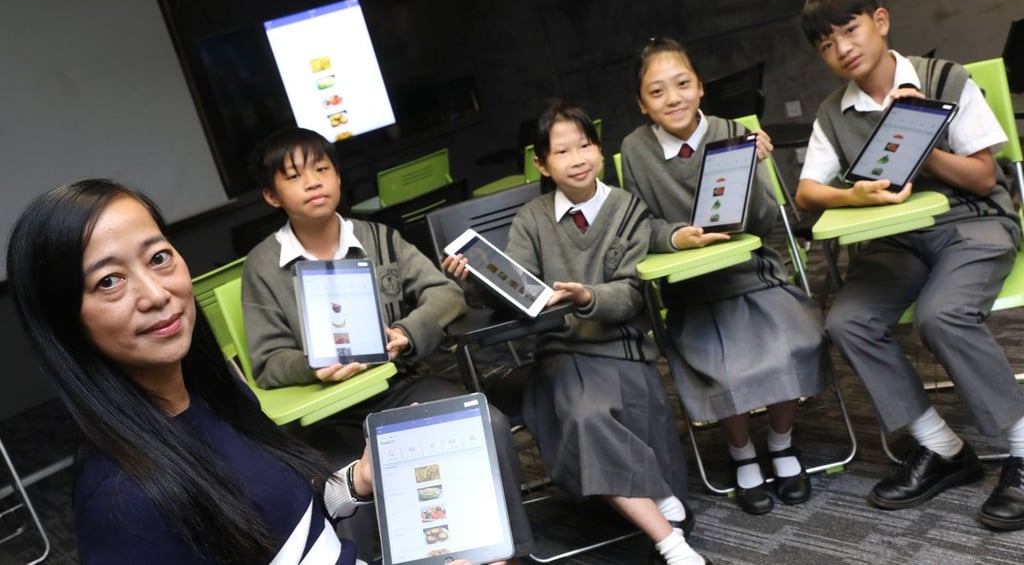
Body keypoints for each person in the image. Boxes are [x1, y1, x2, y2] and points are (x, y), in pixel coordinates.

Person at [7, 179, 431, 564]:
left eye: (158, 258)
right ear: (64, 322)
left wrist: (357, 481)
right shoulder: (122, 504)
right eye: (109, 281)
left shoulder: (219, 392)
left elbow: (290, 533)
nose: (156, 293)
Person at [241, 127, 532, 558]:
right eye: (295, 176)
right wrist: (311, 367)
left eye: (322, 169)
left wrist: (406, 333)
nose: (314, 182)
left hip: (402, 388)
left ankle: (503, 554)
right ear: (271, 195)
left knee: (483, 423)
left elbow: (445, 292)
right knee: (334, 479)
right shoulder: (263, 265)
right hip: (327, 413)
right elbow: (268, 361)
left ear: (338, 176)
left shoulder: (379, 239)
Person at [797, 0, 1024, 530]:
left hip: (972, 223)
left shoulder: (944, 78)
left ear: (881, 20)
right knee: (847, 322)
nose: (843, 47)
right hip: (897, 239)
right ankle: (943, 448)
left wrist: (925, 132)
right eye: (827, 43)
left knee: (940, 315)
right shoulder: (834, 113)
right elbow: (806, 193)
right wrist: (849, 193)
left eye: (850, 29)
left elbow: (982, 175)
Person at [445, 101, 707, 565]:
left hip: (620, 345)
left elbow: (629, 293)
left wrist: (585, 296)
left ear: (600, 151)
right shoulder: (532, 218)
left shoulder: (626, 208)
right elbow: (514, 289)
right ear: (542, 164)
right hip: (560, 351)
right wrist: (474, 280)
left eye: (585, 145)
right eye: (562, 151)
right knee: (585, 415)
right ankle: (669, 539)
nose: (578, 157)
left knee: (595, 413)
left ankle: (648, 493)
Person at [619, 37, 829, 516]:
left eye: (683, 84)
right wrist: (676, 237)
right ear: (641, 103)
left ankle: (780, 442)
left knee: (797, 341)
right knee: (723, 361)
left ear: (700, 87)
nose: (673, 98)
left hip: (751, 273)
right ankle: (742, 455)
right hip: (692, 287)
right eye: (657, 92)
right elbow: (640, 225)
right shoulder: (635, 150)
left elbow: (760, 223)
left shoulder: (732, 130)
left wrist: (757, 168)